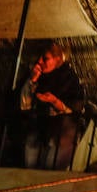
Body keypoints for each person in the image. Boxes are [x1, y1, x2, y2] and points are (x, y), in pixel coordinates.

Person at [14, 42, 86, 170]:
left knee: (50, 169)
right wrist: (32, 81)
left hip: (62, 134)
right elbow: (24, 105)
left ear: (58, 59)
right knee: (30, 167)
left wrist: (55, 102)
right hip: (38, 130)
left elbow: (74, 109)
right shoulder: (38, 77)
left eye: (45, 58)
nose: (40, 62)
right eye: (40, 58)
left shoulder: (70, 80)